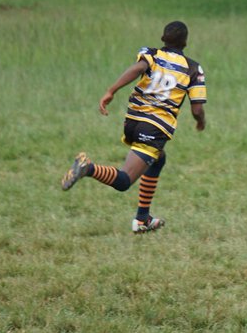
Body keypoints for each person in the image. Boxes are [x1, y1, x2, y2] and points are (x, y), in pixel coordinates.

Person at [60, 21, 206, 233]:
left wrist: (111, 90)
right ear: (185, 42)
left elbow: (138, 68)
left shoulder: (151, 54)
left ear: (163, 38)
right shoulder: (193, 67)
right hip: (154, 128)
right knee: (124, 180)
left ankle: (142, 219)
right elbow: (197, 109)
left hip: (133, 121)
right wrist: (201, 121)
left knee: (158, 158)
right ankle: (87, 168)